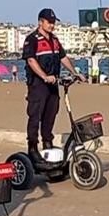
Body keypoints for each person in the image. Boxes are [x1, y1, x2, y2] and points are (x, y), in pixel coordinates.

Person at [21, 8, 85, 165]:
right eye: (49, 22)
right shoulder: (32, 39)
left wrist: (75, 72)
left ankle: (47, 142)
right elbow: (30, 60)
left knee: (51, 114)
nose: (52, 25)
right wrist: (43, 76)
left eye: (53, 22)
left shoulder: (54, 40)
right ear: (40, 22)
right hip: (38, 85)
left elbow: (62, 57)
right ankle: (33, 147)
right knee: (35, 115)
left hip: (53, 83)